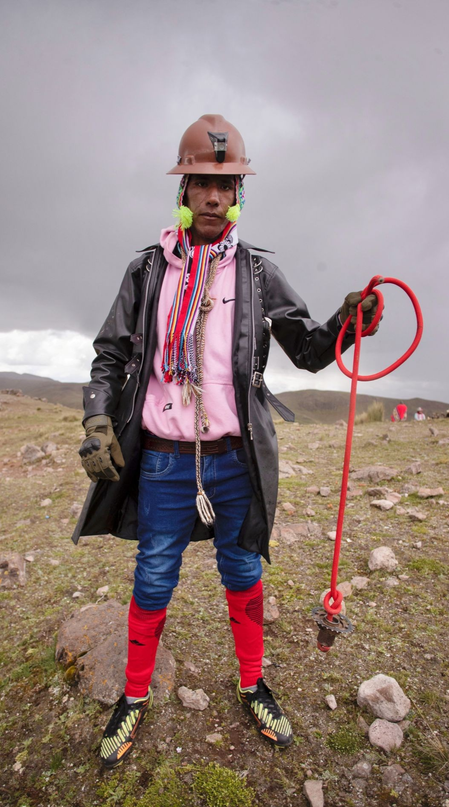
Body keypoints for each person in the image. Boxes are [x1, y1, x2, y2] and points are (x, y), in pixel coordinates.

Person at [73, 115, 378, 769]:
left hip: (236, 461)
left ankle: (252, 684)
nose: (213, 197)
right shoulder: (147, 271)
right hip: (162, 459)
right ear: (182, 191)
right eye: (200, 183)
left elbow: (311, 349)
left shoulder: (258, 274)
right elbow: (108, 354)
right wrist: (98, 420)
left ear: (238, 191)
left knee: (242, 571)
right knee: (154, 575)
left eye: (227, 184)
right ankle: (132, 697)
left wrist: (348, 323)